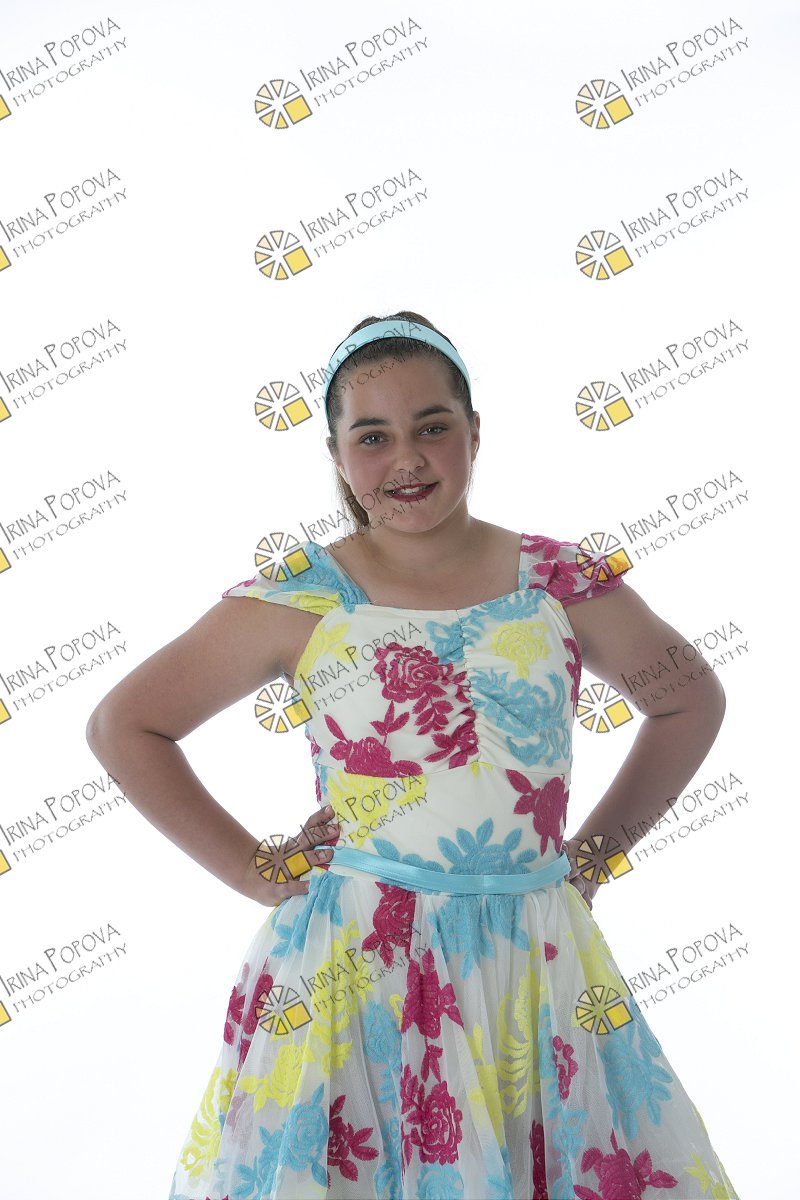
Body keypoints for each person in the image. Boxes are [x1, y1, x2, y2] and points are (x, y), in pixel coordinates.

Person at [86, 312, 740, 1199]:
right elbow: (126, 726)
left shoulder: (557, 583)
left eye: (433, 427)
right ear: (336, 453)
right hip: (360, 959)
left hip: (532, 956)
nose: (407, 459)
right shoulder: (304, 599)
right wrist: (251, 869)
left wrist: (591, 858)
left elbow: (688, 698)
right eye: (373, 437)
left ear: (475, 430)